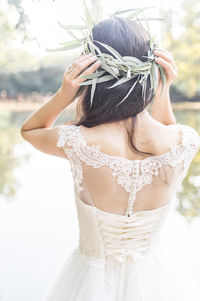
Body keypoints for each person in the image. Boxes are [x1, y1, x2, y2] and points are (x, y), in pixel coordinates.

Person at [20, 16, 200, 301]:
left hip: (90, 281)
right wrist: (163, 88)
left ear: (93, 75)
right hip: (158, 283)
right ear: (151, 71)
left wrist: (65, 93)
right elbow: (169, 128)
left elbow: (30, 130)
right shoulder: (184, 142)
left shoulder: (79, 142)